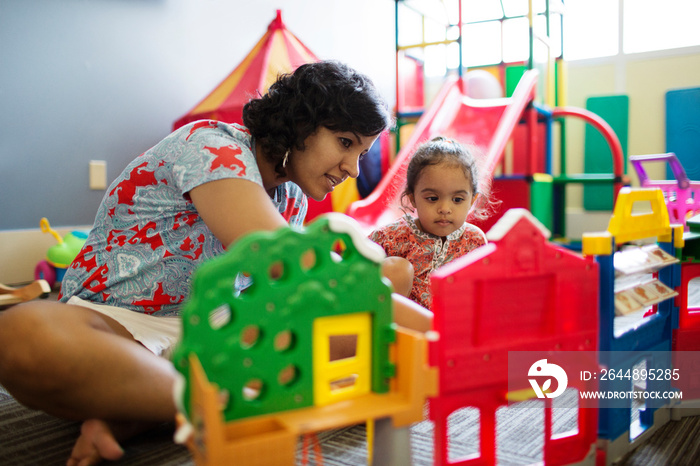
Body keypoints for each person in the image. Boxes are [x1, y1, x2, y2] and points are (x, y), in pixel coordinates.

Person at [0, 61, 432, 466]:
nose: (353, 169)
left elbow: (284, 300)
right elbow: (296, 270)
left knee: (369, 339)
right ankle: (220, 402)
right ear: (301, 122)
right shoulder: (212, 147)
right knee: (20, 336)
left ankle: (146, 409)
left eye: (362, 153)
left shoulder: (292, 197)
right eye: (345, 144)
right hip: (116, 324)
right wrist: (438, 332)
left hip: (214, 333)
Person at [369, 136, 489, 309]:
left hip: (454, 325)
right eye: (432, 198)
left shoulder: (474, 240)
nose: (445, 208)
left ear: (472, 201)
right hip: (405, 328)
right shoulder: (392, 236)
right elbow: (356, 262)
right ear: (413, 198)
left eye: (457, 199)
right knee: (397, 269)